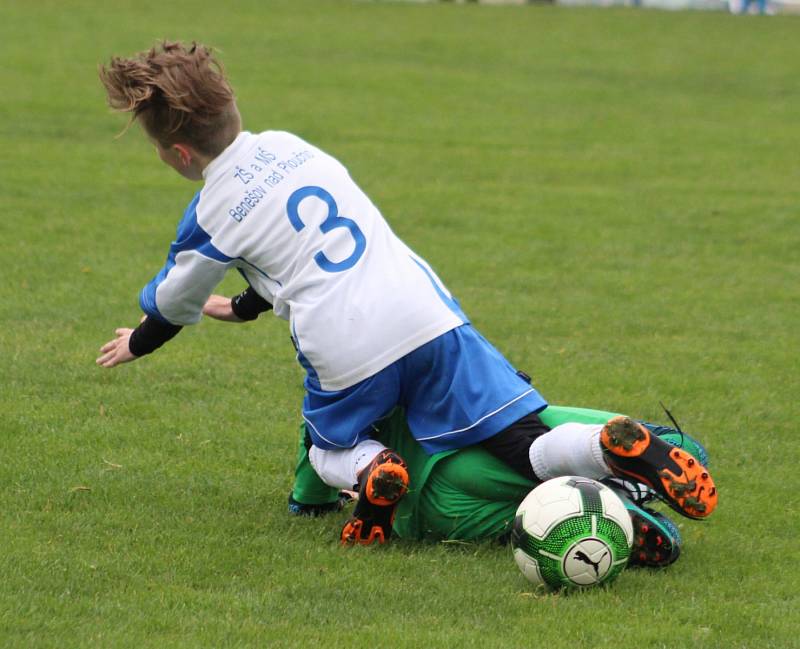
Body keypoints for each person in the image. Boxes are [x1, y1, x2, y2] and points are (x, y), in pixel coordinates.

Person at [96, 41, 716, 544]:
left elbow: (176, 302)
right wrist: (240, 305)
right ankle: (601, 449)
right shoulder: (291, 146)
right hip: (426, 315)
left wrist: (141, 342)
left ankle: (373, 473)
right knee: (519, 443)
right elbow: (292, 249)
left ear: (177, 153)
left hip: (347, 347)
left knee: (328, 446)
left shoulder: (210, 210)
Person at [290, 404, 711, 568]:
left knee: (535, 515)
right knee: (551, 432)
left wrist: (311, 501)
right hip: (485, 425)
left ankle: (611, 512)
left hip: (433, 503)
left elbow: (317, 451)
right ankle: (617, 464)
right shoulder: (430, 338)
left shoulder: (335, 394)